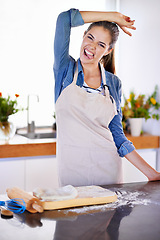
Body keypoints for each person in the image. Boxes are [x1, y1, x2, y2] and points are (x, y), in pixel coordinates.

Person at [54, 8, 160, 187]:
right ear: (83, 36)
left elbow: (117, 136)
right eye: (90, 38)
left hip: (108, 171)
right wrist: (113, 17)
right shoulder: (65, 71)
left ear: (108, 50)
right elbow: (64, 19)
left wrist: (152, 174)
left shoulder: (113, 83)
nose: (92, 47)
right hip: (72, 176)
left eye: (102, 45)